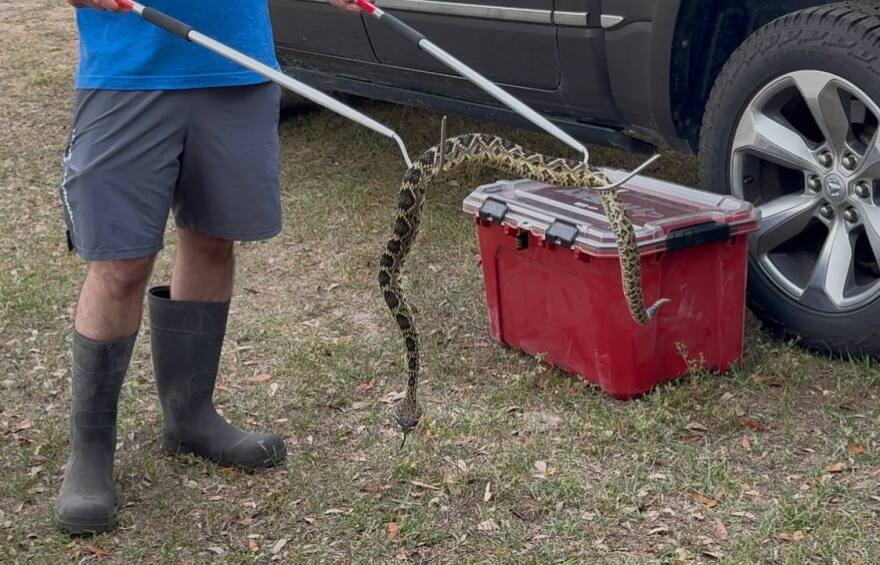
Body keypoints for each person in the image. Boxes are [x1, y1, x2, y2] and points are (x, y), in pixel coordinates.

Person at [56, 0, 368, 535]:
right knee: (121, 263)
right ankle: (89, 450)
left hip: (237, 67)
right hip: (128, 73)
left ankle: (189, 417)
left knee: (213, 240)